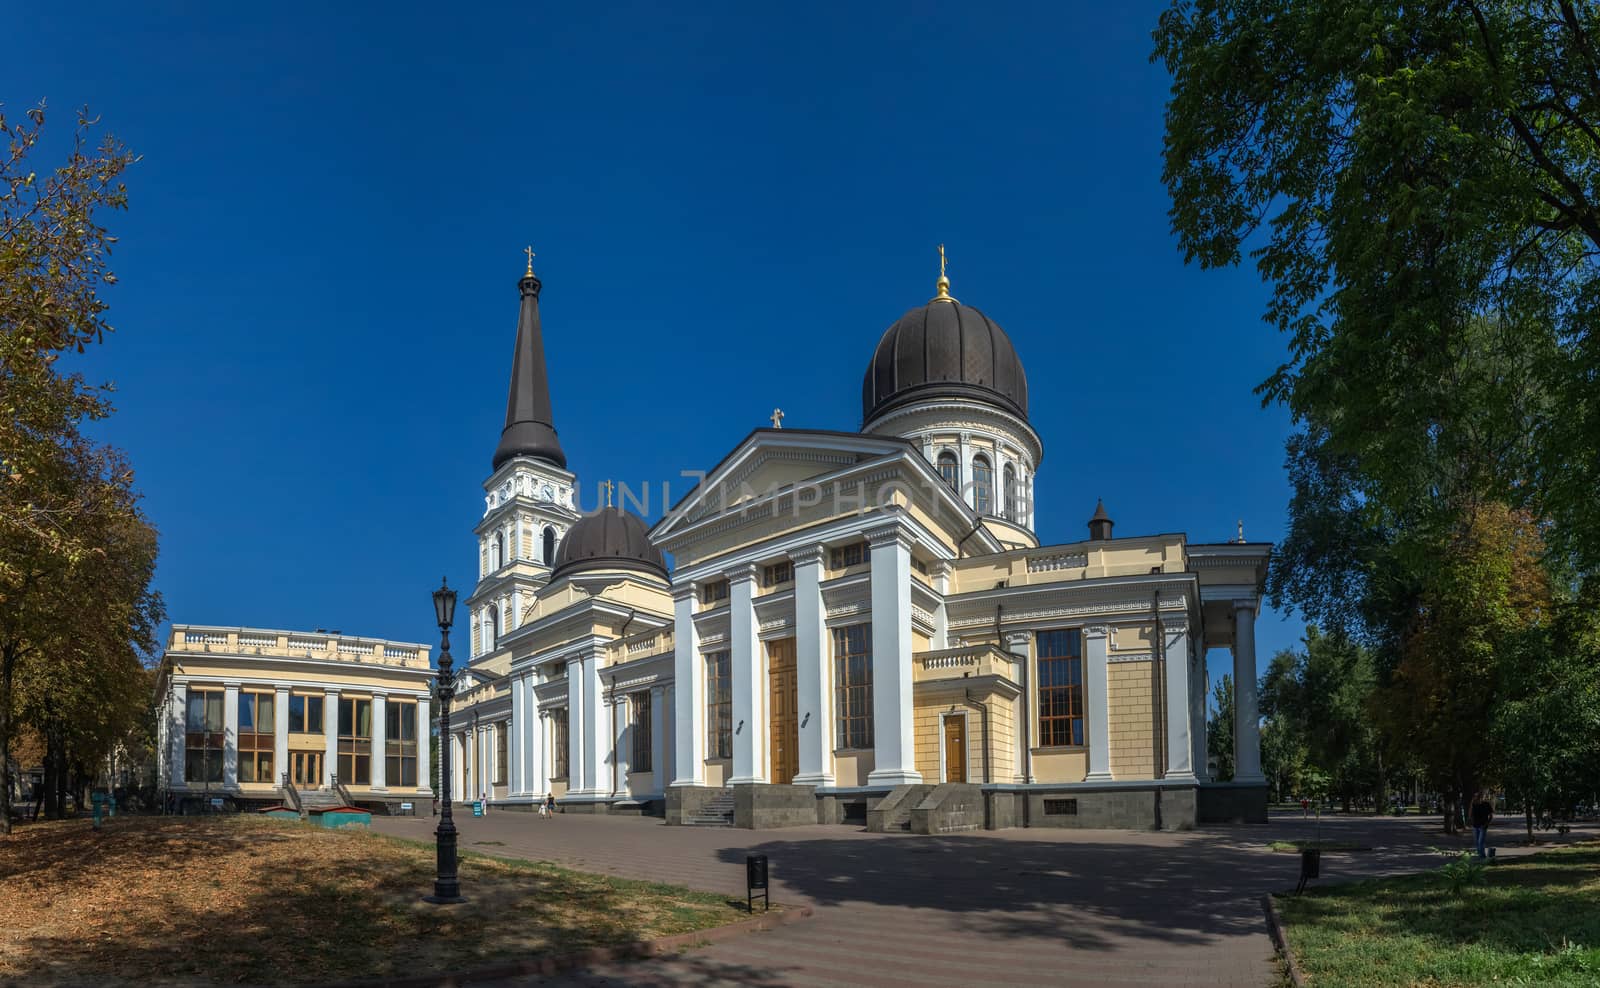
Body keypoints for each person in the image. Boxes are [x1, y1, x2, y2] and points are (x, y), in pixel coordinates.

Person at [1471, 791, 1493, 859]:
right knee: (1477, 842)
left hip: (1483, 826)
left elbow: (1491, 815)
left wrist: (1487, 823)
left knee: (1481, 842)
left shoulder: (1486, 804)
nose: (1478, 798)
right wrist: (1471, 803)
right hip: (1475, 826)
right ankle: (1480, 855)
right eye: (1476, 797)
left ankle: (1482, 856)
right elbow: (1470, 815)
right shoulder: (1474, 805)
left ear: (1482, 797)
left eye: (1479, 796)